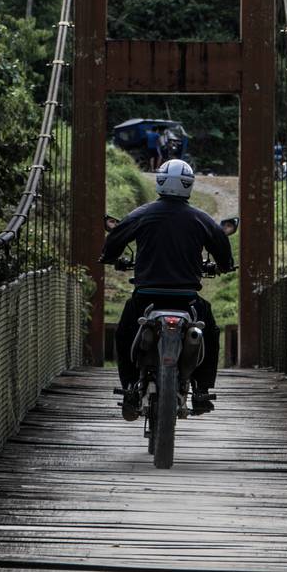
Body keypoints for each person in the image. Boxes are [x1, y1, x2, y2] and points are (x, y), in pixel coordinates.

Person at [100, 157, 233, 421]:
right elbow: (221, 246)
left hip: (146, 296)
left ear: (159, 181)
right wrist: (225, 265)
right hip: (187, 299)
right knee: (211, 331)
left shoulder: (142, 214)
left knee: (125, 331)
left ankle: (128, 388)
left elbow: (115, 238)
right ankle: (203, 390)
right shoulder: (201, 218)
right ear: (189, 185)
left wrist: (110, 256)